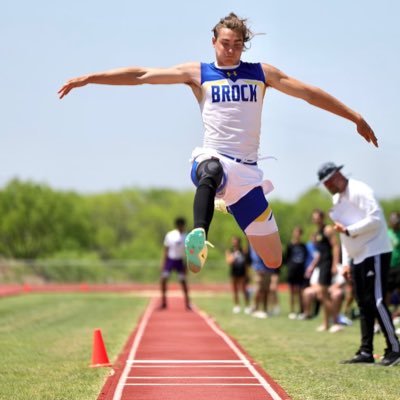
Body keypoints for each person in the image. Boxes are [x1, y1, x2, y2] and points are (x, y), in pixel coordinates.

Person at [58, 12, 378, 275]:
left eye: (237, 45)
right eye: (225, 44)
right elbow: (142, 74)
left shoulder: (261, 73)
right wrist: (90, 77)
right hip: (214, 158)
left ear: (244, 46)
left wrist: (354, 117)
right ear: (214, 42)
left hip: (248, 175)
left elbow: (309, 93)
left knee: (273, 260)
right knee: (210, 168)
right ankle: (199, 234)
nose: (230, 50)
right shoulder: (198, 72)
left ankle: (223, 200)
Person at [318, 162, 400, 366]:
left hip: (375, 251)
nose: (327, 188)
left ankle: (395, 349)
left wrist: (349, 230)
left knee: (378, 300)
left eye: (327, 183)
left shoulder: (360, 190)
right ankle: (366, 351)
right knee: (363, 303)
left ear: (337, 176)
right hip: (357, 256)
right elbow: (342, 233)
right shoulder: (338, 198)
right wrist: (346, 263)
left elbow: (376, 220)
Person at [306, 209, 340, 332]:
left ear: (322, 218)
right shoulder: (317, 232)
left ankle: (336, 322)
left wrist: (335, 265)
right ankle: (326, 324)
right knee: (323, 295)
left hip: (327, 264)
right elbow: (319, 253)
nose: (315, 219)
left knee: (325, 295)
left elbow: (335, 247)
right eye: (313, 217)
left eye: (317, 217)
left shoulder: (328, 230)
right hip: (321, 265)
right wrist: (313, 266)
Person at [159, 217, 191, 310]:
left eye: (183, 225)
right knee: (163, 280)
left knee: (183, 281)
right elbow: (166, 249)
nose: (182, 227)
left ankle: (187, 303)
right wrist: (163, 263)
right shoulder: (170, 235)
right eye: (180, 225)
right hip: (170, 260)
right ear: (177, 226)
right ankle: (163, 302)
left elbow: (188, 252)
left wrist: (186, 265)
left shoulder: (187, 236)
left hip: (180, 261)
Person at [285, 226, 308, 319]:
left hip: (300, 271)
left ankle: (301, 310)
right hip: (292, 271)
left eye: (299, 233)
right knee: (291, 291)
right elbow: (286, 258)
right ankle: (292, 311)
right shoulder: (289, 245)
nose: (297, 234)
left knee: (300, 292)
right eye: (295, 232)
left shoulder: (303, 246)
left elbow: (306, 257)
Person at [225, 236, 251, 314]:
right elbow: (228, 261)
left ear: (239, 242)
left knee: (244, 289)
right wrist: (234, 256)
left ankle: (247, 306)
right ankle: (237, 306)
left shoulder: (243, 251)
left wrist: (248, 273)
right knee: (235, 289)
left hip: (242, 272)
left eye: (236, 241)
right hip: (234, 272)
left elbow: (247, 263)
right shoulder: (230, 251)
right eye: (233, 241)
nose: (234, 243)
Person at [249, 245, 274, 318]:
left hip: (268, 269)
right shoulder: (254, 241)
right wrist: (258, 268)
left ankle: (265, 309)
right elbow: (255, 256)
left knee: (266, 290)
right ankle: (255, 308)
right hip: (259, 270)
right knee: (258, 290)